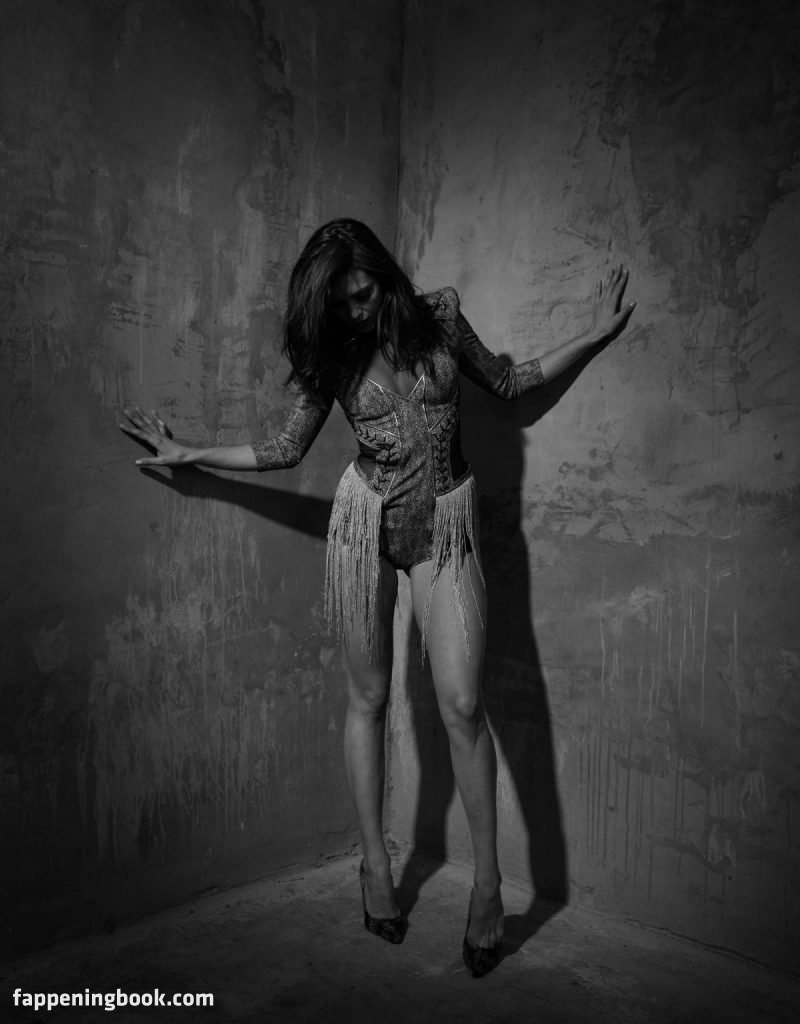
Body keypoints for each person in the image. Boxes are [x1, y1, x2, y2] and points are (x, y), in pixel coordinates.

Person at [120, 218, 634, 978]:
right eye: (341, 304)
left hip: (446, 523)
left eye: (362, 295)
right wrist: (189, 451)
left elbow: (509, 382)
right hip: (364, 525)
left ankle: (488, 887)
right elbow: (284, 448)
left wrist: (594, 334)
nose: (356, 311)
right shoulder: (334, 353)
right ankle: (373, 865)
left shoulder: (441, 316)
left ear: (383, 276)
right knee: (368, 699)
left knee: (462, 704)